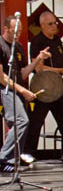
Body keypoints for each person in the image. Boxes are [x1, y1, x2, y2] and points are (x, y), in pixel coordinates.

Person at [24, 11, 63, 162]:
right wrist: (61, 70)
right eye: (50, 24)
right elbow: (39, 68)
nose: (54, 26)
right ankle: (27, 153)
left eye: (55, 23)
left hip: (58, 86)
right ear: (42, 26)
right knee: (35, 121)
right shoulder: (37, 42)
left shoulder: (57, 40)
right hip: (43, 86)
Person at [0, 15, 48, 172]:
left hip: (15, 88)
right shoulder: (0, 45)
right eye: (15, 30)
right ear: (6, 29)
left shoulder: (19, 47)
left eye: (20, 30)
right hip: (4, 88)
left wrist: (38, 60)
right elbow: (1, 77)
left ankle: (14, 158)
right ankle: (4, 158)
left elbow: (22, 73)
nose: (18, 34)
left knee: (19, 123)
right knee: (21, 121)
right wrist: (23, 90)